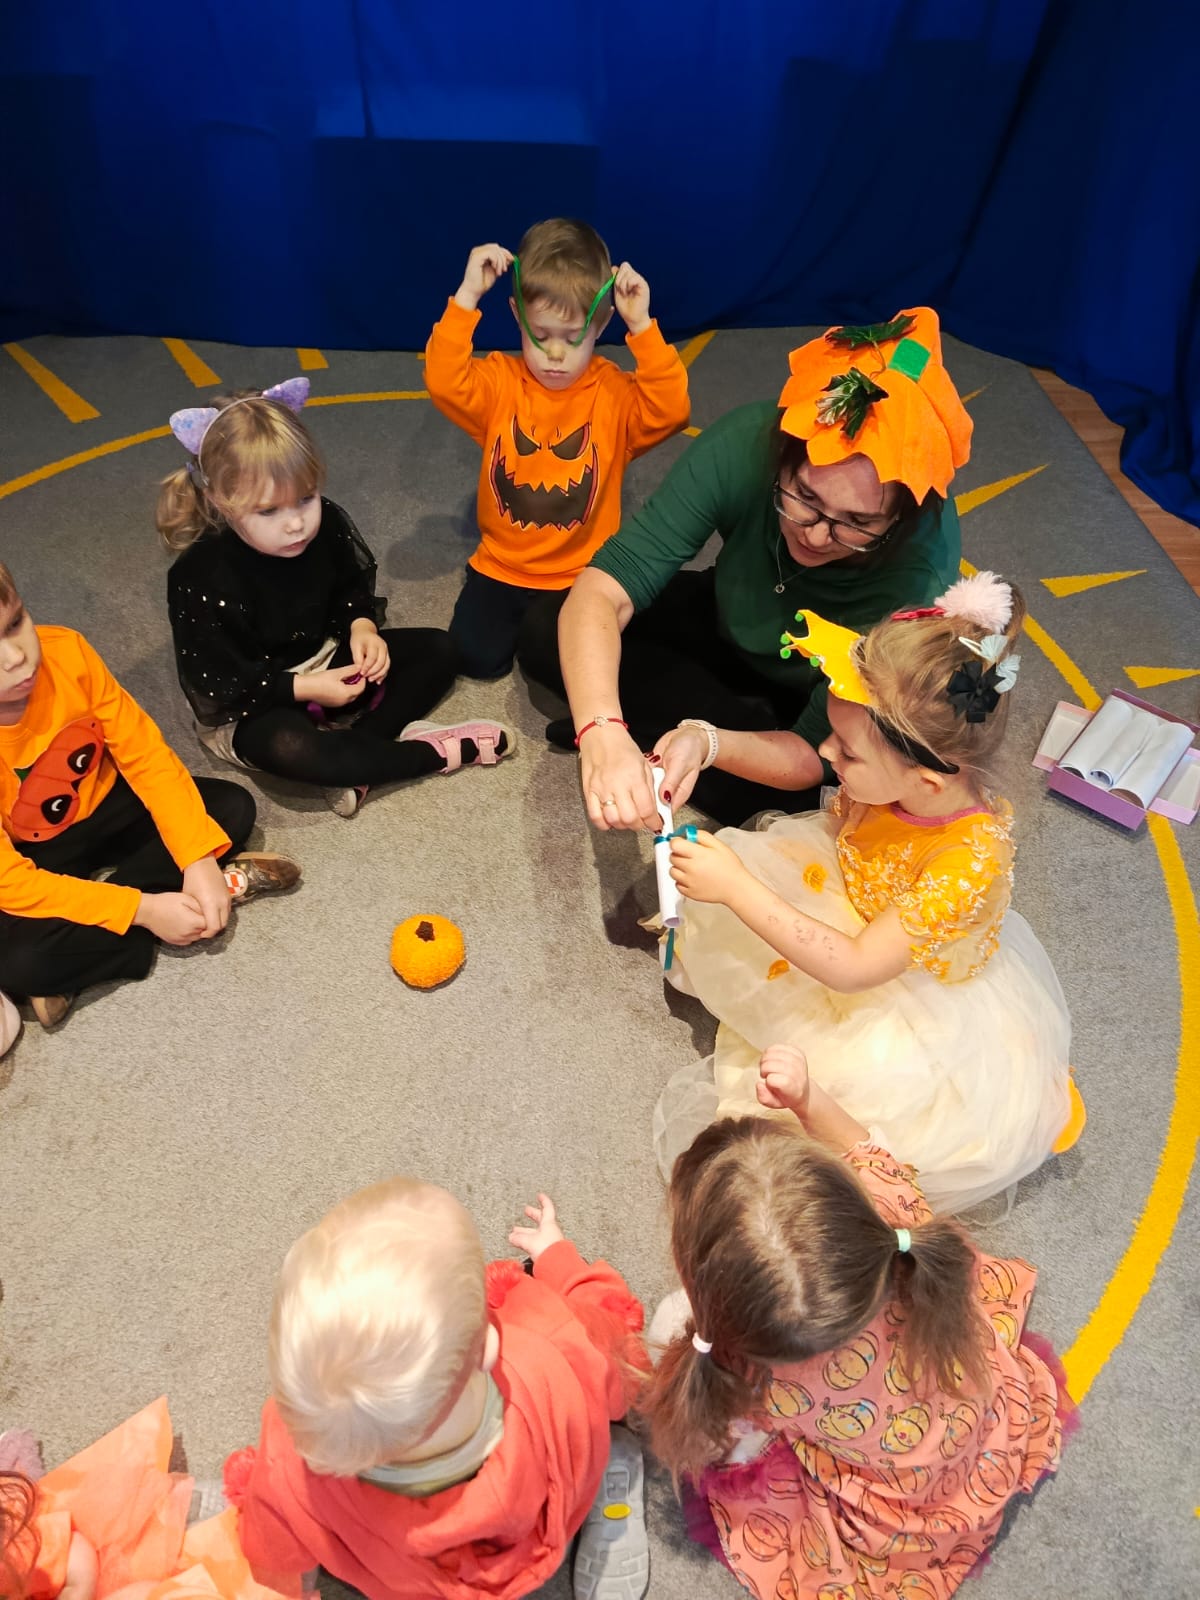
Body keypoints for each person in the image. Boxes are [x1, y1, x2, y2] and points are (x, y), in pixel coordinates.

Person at [654, 573, 1073, 1214]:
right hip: (853, 891)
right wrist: (704, 740)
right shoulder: (895, 776)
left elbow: (852, 968)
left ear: (927, 783)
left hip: (900, 980)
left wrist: (737, 889)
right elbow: (813, 773)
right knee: (737, 882)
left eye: (846, 753)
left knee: (851, 1100)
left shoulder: (968, 862)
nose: (828, 753)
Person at [641, 1050, 1075, 1600]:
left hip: (900, 1511)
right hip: (991, 1429)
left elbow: (713, 1432)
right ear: (848, 1204)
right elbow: (865, 1148)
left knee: (670, 1335)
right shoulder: (894, 1223)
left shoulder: (754, 1381)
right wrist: (808, 1100)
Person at [525, 308, 971, 829]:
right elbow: (605, 588)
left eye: (857, 523)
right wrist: (601, 730)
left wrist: (705, 740)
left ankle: (674, 729)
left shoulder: (921, 575)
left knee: (794, 807)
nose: (816, 535)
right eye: (804, 497)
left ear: (899, 520)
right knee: (544, 628)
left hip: (814, 694)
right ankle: (662, 729)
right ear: (781, 459)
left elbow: (811, 755)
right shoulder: (745, 441)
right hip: (728, 609)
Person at [224, 1177, 651, 1600]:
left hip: (413, 1579)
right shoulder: (549, 1356)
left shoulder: (289, 1461)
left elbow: (273, 1546)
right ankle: (612, 1492)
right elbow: (620, 1349)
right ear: (487, 1346)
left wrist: (297, 1581)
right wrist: (558, 1259)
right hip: (540, 1514)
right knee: (593, 1408)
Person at [159, 377, 514, 821]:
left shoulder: (324, 522)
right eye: (269, 511)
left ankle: (358, 754)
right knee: (292, 748)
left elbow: (348, 587)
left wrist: (361, 627)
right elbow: (222, 684)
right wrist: (307, 688)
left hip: (324, 658)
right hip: (256, 700)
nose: (296, 524)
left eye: (305, 498)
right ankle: (431, 754)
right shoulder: (200, 576)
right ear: (219, 500)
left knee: (439, 650)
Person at [0, 563, 298, 1029]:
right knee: (18, 962)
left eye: (15, 623)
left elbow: (144, 754)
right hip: (29, 851)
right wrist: (144, 910)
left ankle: (89, 950)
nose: (15, 656)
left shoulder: (66, 651)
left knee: (230, 807)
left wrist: (196, 858)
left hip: (110, 801)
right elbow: (11, 882)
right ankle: (179, 905)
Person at [425, 218, 690, 679]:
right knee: (474, 659)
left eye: (572, 338)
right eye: (540, 335)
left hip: (580, 572)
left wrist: (642, 326)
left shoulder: (614, 394)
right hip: (500, 565)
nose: (554, 354)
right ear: (517, 316)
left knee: (564, 666)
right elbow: (444, 380)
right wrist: (467, 297)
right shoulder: (499, 382)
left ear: (601, 323)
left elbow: (671, 410)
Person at [0, 1398, 286, 1600]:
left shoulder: (14, 1550)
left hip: (94, 1550)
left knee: (168, 1531)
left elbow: (77, 1557)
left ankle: (235, 1509)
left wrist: (76, 1593)